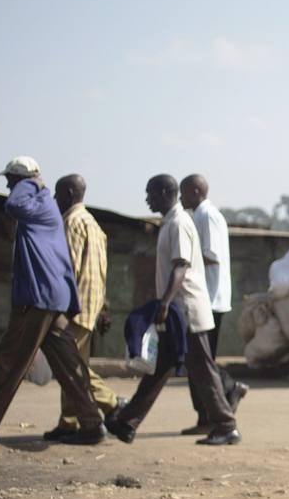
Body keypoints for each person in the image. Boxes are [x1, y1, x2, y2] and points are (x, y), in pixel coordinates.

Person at [0, 157, 104, 446]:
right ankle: (92, 423)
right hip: (51, 297)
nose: (8, 186)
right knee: (68, 365)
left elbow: (13, 205)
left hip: (37, 297)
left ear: (23, 180)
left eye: (11, 180)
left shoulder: (35, 198)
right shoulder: (45, 206)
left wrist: (30, 182)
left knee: (8, 360)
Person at [105, 174, 239, 446]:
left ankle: (226, 425)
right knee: (159, 367)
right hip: (177, 309)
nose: (147, 199)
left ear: (166, 193)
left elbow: (181, 265)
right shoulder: (170, 222)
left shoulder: (178, 223)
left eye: (150, 193)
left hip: (185, 310)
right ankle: (127, 422)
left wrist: (164, 302)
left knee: (202, 370)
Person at [42, 174, 124, 441]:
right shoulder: (93, 224)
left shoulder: (71, 223)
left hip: (74, 308)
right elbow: (100, 270)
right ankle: (68, 421)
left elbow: (70, 269)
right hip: (90, 305)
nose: (55, 200)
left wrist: (60, 307)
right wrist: (103, 307)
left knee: (72, 367)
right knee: (74, 365)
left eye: (57, 194)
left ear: (68, 193)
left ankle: (112, 402)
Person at [179, 174, 246, 434]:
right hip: (203, 298)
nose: (181, 198)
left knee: (200, 360)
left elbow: (211, 255)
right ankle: (209, 412)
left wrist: (182, 260)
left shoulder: (207, 216)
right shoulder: (199, 216)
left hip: (208, 299)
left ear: (196, 192)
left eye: (184, 193)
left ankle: (220, 400)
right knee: (198, 360)